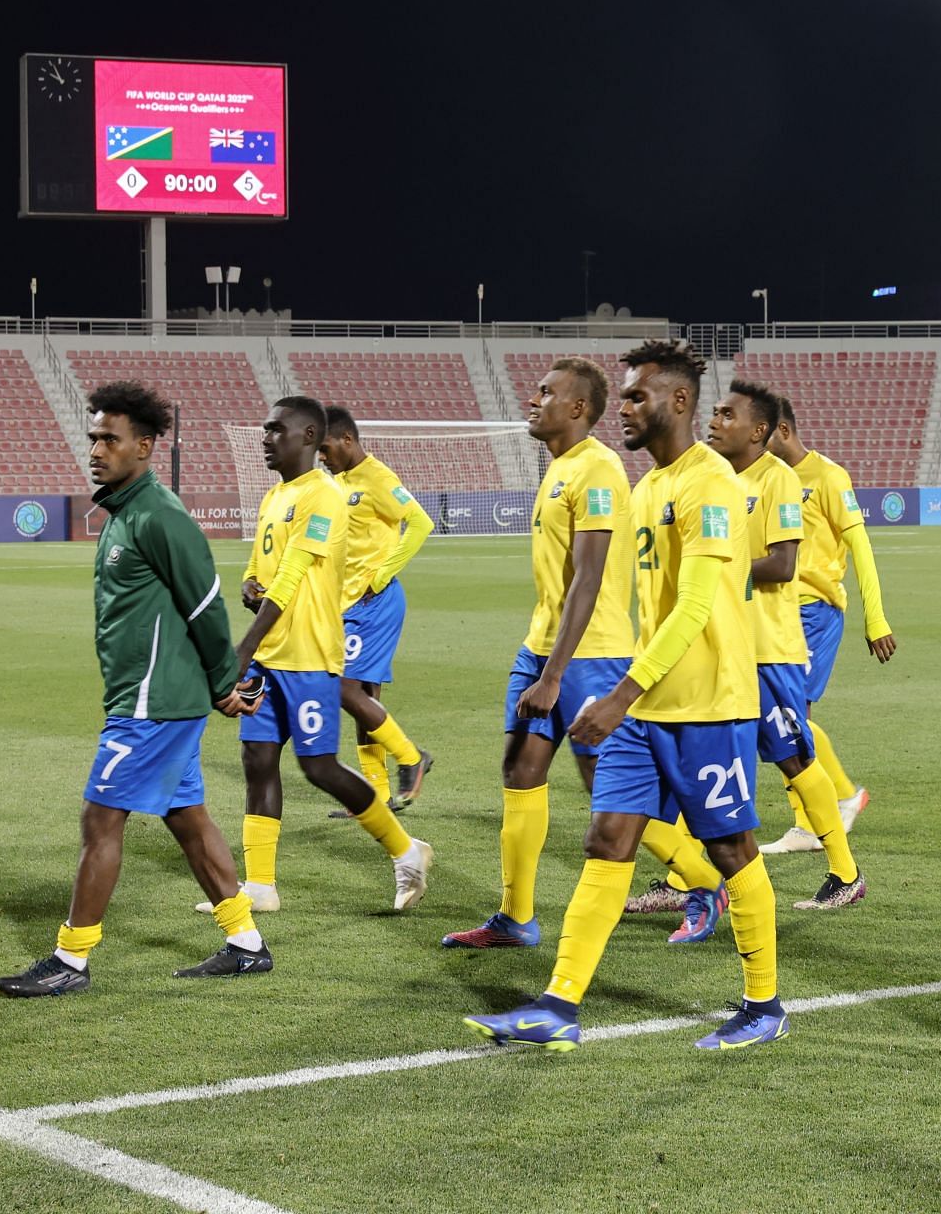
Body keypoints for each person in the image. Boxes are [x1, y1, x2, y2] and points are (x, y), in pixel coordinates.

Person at [463, 340, 786, 1052]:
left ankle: (763, 1005)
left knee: (732, 849)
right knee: (606, 838)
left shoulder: (711, 485)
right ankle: (557, 1005)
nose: (626, 410)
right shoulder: (646, 490)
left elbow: (697, 606)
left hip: (710, 705)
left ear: (677, 401)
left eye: (637, 397)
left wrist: (617, 694)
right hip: (648, 706)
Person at [0, 381, 270, 996]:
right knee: (187, 817)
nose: (96, 449)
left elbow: (204, 605)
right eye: (93, 437)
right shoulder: (126, 512)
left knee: (101, 818)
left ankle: (71, 960)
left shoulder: (160, 516)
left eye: (109, 440)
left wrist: (225, 682)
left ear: (143, 447)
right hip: (149, 698)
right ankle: (246, 943)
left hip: (153, 705)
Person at [440, 357, 641, 949]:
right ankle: (516, 918)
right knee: (520, 770)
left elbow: (589, 578)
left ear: (578, 408)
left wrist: (553, 674)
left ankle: (704, 881)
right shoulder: (560, 468)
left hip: (589, 655)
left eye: (547, 393)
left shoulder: (599, 470)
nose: (533, 400)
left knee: (607, 785)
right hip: (544, 648)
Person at [218, 396, 433, 915]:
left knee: (318, 767)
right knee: (258, 760)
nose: (265, 440)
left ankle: (407, 852)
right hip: (273, 653)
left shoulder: (324, 497)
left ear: (310, 436)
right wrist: (249, 582)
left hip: (310, 653)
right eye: (265, 430)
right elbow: (260, 561)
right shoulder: (276, 494)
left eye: (276, 430)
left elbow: (293, 575)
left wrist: (241, 649)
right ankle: (261, 886)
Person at [706, 378, 865, 910]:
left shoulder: (779, 481)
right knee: (702, 755)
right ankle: (688, 881)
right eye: (715, 412)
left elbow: (783, 564)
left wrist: (714, 570)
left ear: (761, 431)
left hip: (770, 648)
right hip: (723, 644)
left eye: (728, 415)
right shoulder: (712, 479)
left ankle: (845, 874)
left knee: (793, 760)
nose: (715, 421)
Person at [758, 398, 893, 854]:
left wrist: (876, 619)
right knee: (781, 713)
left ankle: (811, 822)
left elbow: (862, 547)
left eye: (760, 433)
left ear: (780, 430)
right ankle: (840, 796)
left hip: (815, 611)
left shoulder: (829, 478)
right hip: (775, 611)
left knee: (793, 714)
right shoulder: (766, 479)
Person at [315, 406, 435, 811]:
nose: (322, 457)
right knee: (365, 699)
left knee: (344, 688)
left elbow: (419, 523)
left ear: (347, 439)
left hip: (374, 602)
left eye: (326, 448)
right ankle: (377, 793)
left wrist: (381, 574)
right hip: (348, 603)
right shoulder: (340, 481)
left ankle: (411, 758)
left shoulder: (378, 478)